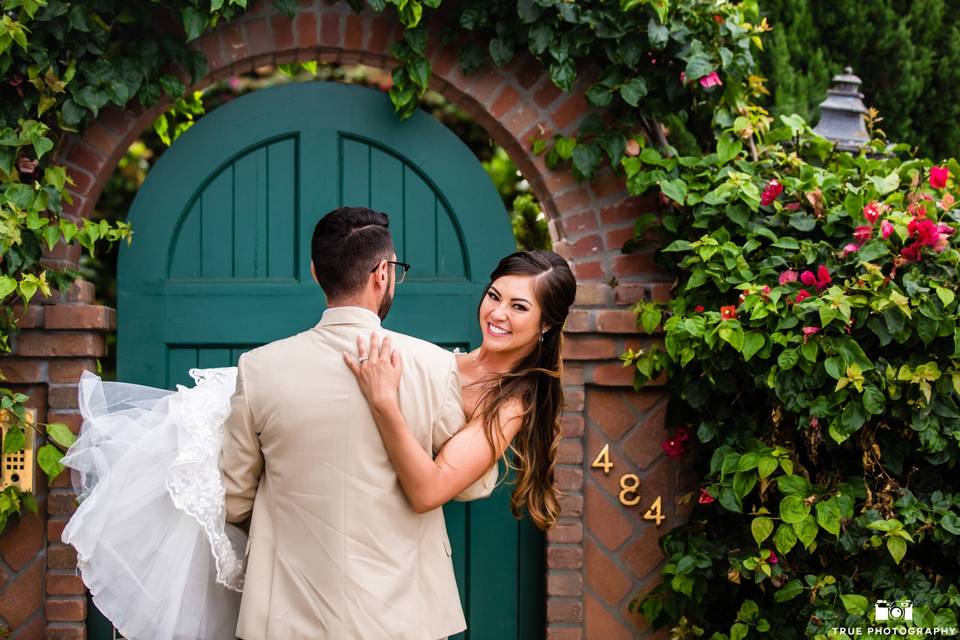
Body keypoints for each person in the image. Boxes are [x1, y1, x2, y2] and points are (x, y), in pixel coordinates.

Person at [61, 206, 497, 640]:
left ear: (315, 271)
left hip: (290, 613)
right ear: (382, 273)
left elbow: (232, 500)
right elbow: (469, 483)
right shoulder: (436, 367)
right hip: (406, 615)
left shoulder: (260, 370)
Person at [343, 250, 577, 532]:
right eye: (494, 296)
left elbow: (428, 492)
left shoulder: (510, 407)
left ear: (547, 324)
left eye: (519, 307)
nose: (497, 313)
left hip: (401, 533)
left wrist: (383, 401)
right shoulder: (443, 361)